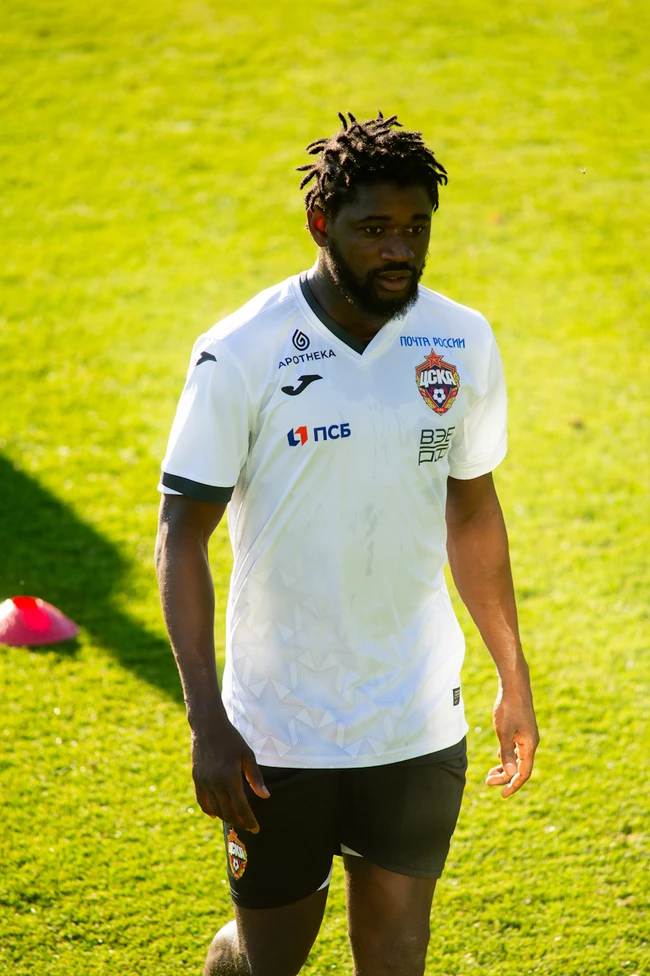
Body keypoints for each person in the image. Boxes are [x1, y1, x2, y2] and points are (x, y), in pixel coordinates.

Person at [155, 112, 539, 976]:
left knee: (397, 954)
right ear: (321, 224)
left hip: (415, 715)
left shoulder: (461, 339)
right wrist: (207, 721)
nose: (400, 251)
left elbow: (473, 513)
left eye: (416, 229)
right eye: (375, 230)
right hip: (279, 729)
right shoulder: (240, 352)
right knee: (268, 958)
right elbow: (181, 537)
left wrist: (512, 676)